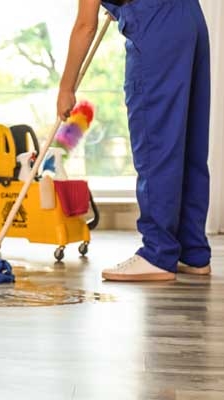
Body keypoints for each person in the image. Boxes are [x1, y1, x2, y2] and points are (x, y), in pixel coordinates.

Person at [57, 0, 212, 281]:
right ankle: (193, 251)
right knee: (188, 142)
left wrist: (66, 87)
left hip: (157, 27)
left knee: (156, 141)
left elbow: (85, 25)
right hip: (189, 16)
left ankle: (157, 253)